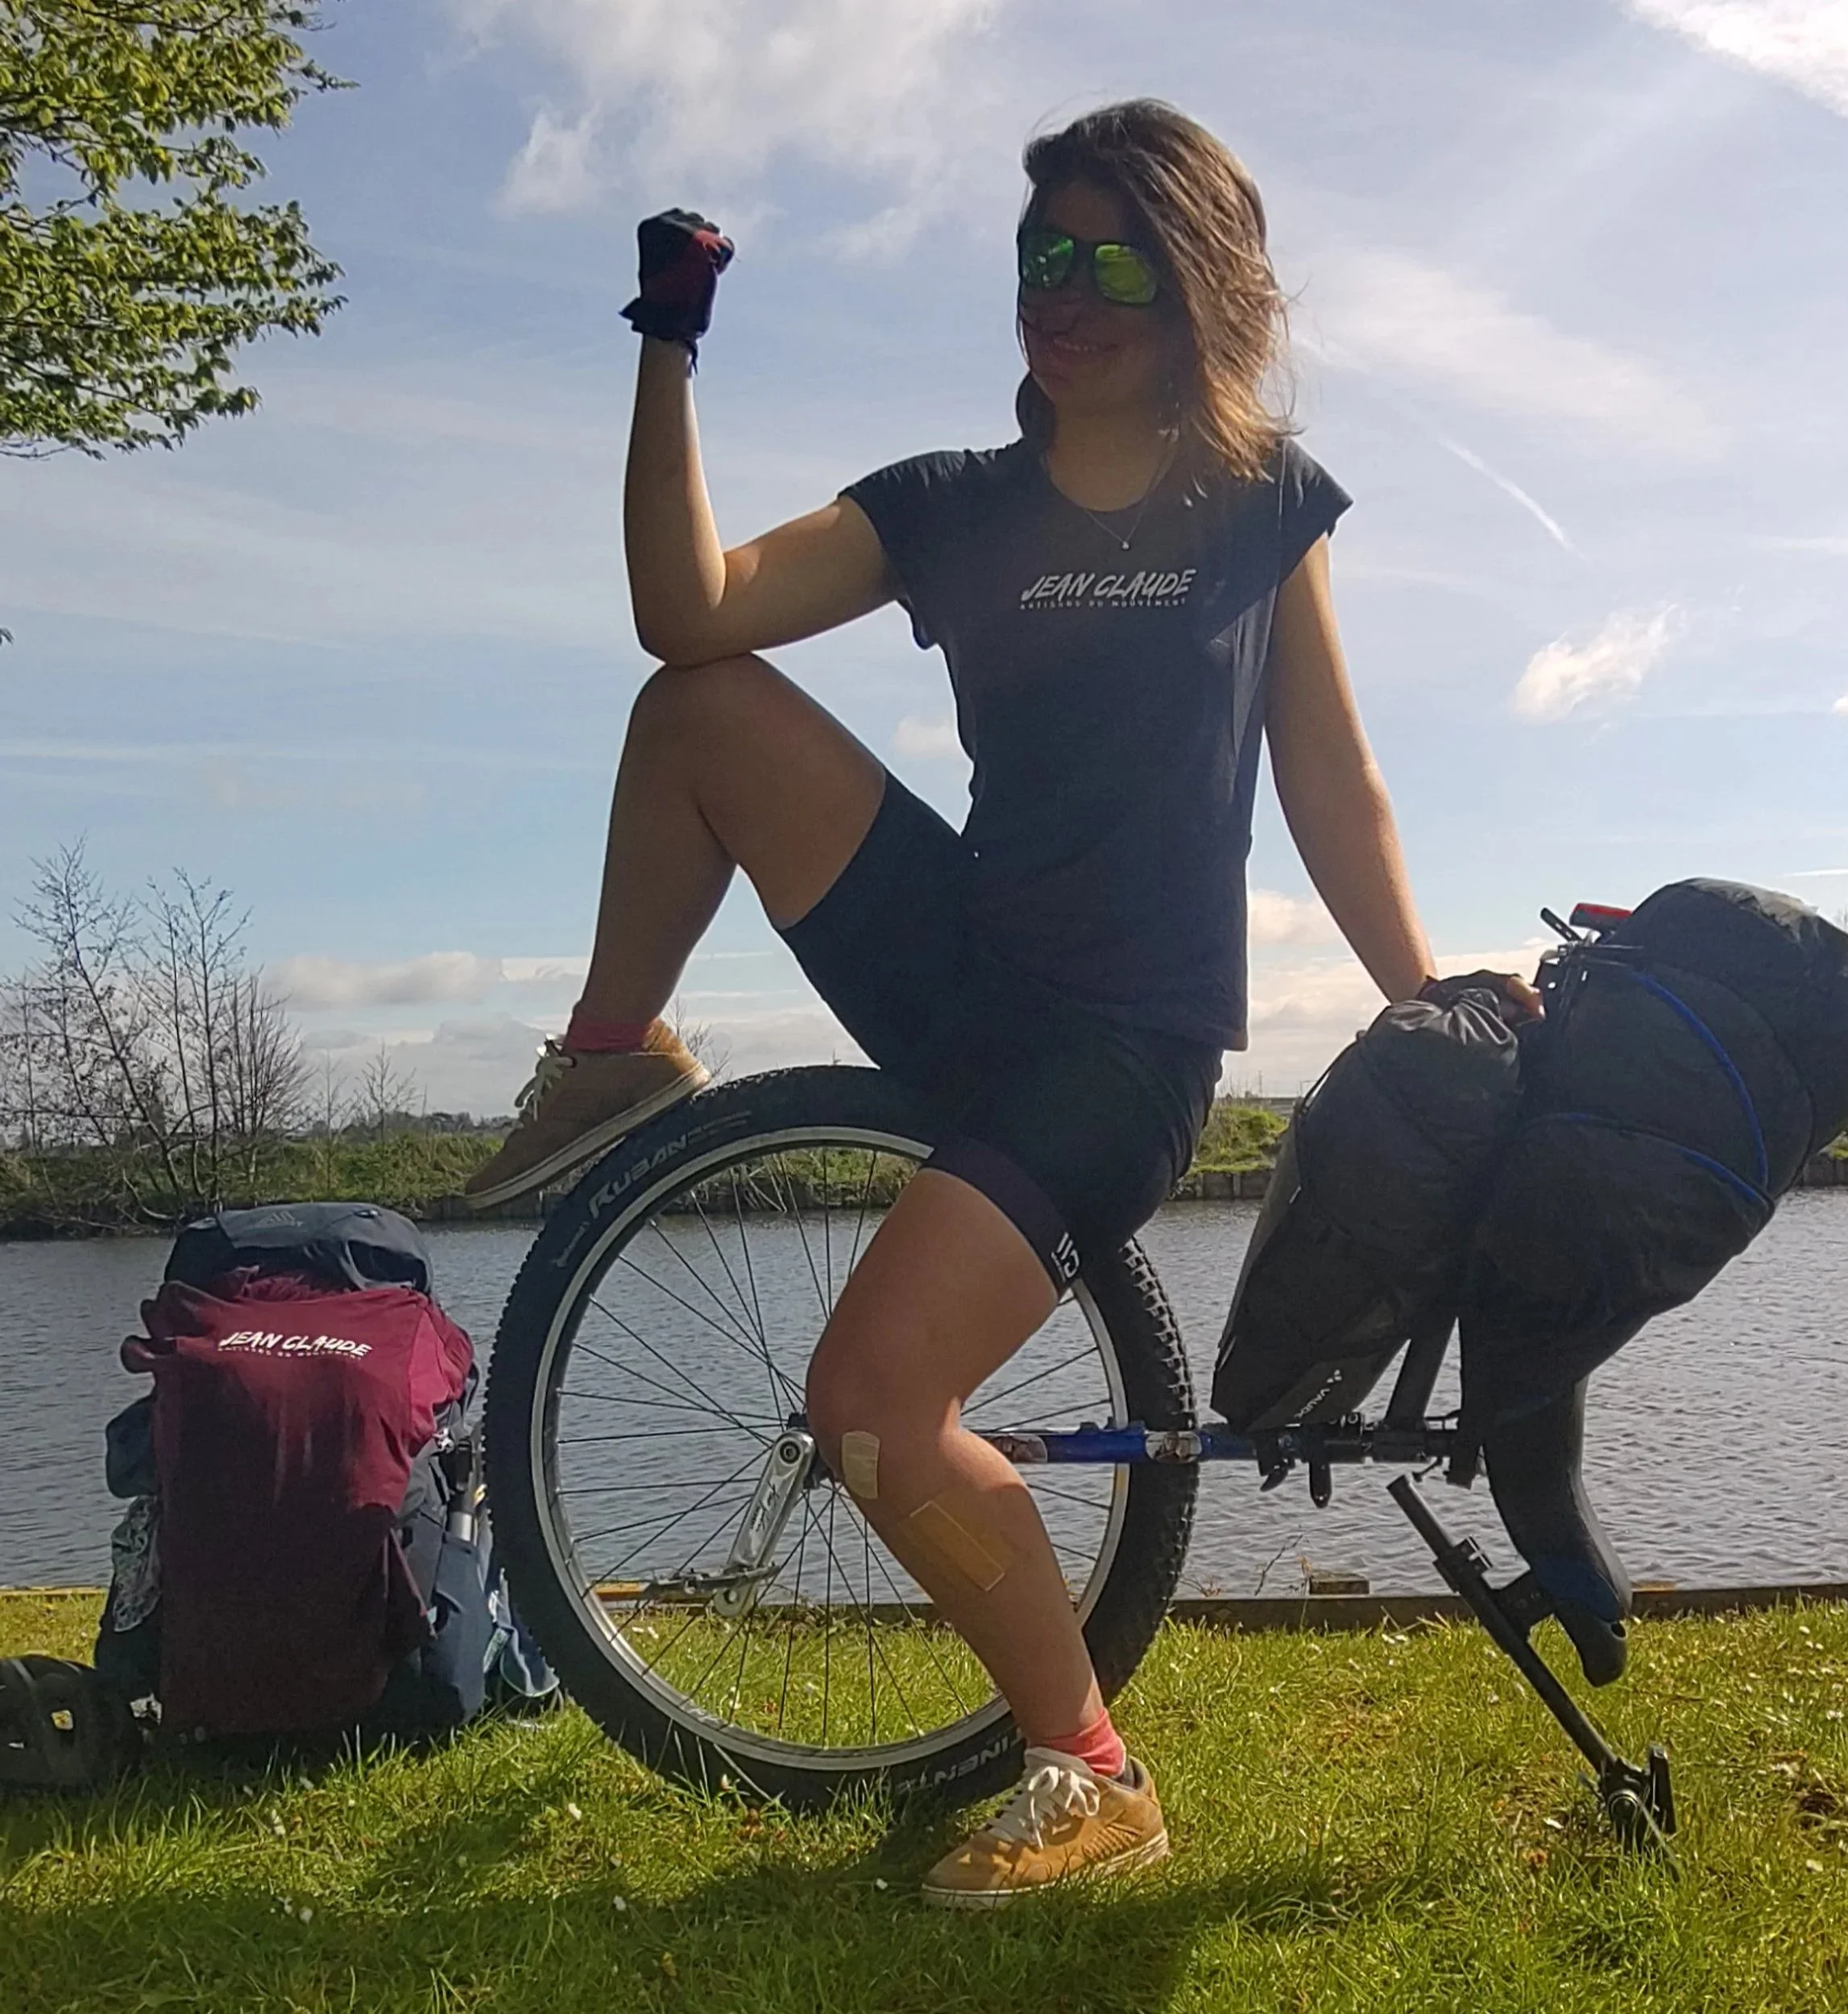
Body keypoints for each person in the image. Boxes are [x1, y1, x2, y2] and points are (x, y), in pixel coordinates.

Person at [466, 98, 1489, 1904]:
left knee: (866, 1393)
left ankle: (1090, 1769)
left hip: (1118, 1044)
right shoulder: (954, 505)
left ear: (1193, 292)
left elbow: (1331, 787)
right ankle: (608, 1061)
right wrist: (666, 347)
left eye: (1107, 259)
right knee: (698, 705)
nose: (1062, 295)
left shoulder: (1253, 508)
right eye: (1038, 257)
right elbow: (682, 607)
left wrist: (1428, 1012)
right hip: (970, 961)